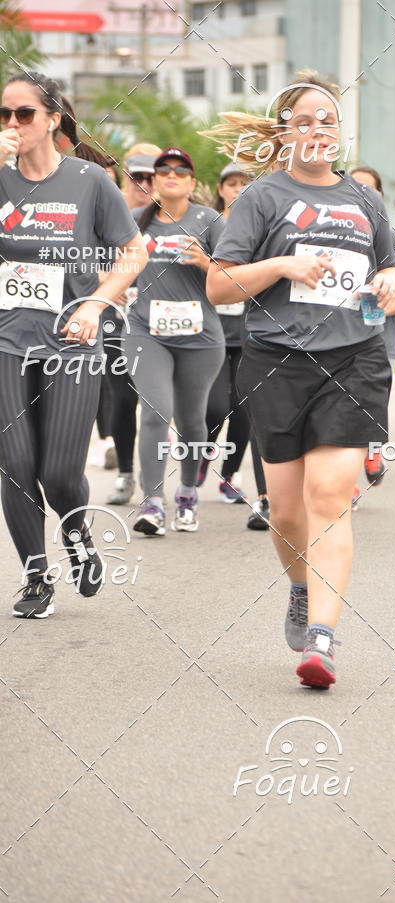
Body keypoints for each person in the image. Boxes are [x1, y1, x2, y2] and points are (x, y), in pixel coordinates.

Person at [206, 71, 395, 688]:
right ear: (286, 132)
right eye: (307, 120)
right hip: (276, 362)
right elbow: (218, 285)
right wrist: (283, 263)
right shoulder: (262, 198)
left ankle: (323, 638)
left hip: (354, 359)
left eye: (329, 121)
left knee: (328, 498)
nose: (319, 130)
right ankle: (300, 586)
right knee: (286, 512)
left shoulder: (365, 201)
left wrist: (390, 286)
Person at [0, 71, 146, 617]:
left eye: (24, 114)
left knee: (59, 471)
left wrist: (96, 303)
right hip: (6, 340)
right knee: (14, 463)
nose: (12, 124)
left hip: (70, 343)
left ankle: (77, 534)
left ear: (53, 119)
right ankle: (36, 578)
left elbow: (134, 253)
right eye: (3, 114)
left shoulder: (88, 181)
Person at [124, 146, 225, 535]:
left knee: (192, 422)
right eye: (162, 170)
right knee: (154, 411)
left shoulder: (209, 220)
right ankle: (152, 502)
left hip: (201, 337)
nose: (171, 175)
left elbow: (237, 274)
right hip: (146, 332)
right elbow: (110, 264)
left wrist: (206, 263)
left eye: (180, 170)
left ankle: (186, 492)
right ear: (152, 180)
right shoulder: (135, 220)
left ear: (192, 182)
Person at [350, 165, 395, 502]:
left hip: (380, 340)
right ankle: (345, 482)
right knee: (340, 408)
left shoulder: (391, 238)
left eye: (369, 189)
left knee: (371, 402)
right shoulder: (330, 233)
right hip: (337, 339)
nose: (361, 193)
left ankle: (373, 449)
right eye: (354, 185)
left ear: (379, 196)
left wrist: (376, 308)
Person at [104, 144, 160, 505]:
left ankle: (157, 483)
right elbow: (82, 257)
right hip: (116, 318)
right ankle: (125, 473)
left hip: (159, 321)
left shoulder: (171, 215)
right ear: (125, 176)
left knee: (157, 405)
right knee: (123, 398)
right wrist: (108, 281)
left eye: (149, 177)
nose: (142, 183)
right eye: (136, 176)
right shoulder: (107, 210)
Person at [198, 162, 254, 505]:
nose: (238, 189)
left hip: (248, 333)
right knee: (216, 407)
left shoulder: (259, 227)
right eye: (232, 183)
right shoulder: (209, 225)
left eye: (245, 184)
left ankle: (230, 475)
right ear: (221, 189)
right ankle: (204, 451)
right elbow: (201, 273)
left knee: (244, 408)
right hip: (212, 331)